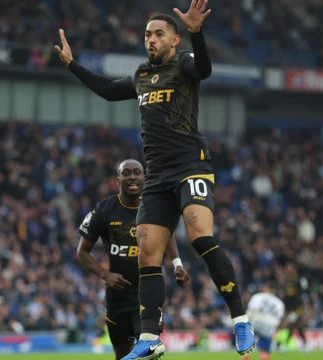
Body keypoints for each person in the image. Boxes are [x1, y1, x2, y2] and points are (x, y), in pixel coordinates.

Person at [56, 1, 254, 358]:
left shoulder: (185, 65)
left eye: (158, 34)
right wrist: (72, 65)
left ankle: (239, 317)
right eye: (147, 34)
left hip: (191, 166)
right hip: (158, 176)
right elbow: (106, 89)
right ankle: (149, 337)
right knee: (148, 255)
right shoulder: (141, 77)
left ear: (174, 39)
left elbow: (206, 69)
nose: (151, 40)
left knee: (198, 236)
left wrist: (198, 32)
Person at [76, 159, 191, 360]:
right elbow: (82, 251)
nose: (132, 177)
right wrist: (106, 274)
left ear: (144, 178)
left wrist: (177, 264)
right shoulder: (105, 209)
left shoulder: (154, 207)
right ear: (117, 180)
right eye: (126, 173)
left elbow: (168, 233)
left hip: (146, 295)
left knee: (150, 353)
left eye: (137, 173)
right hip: (117, 298)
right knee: (123, 356)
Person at [242, 284, 285, 360]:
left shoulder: (257, 297)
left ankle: (246, 356)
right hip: (267, 326)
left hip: (255, 322)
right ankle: (264, 355)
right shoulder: (279, 302)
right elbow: (279, 319)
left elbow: (250, 311)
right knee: (264, 350)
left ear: (265, 288)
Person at [281, 262, 308, 350]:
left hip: (297, 308)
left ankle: (284, 345)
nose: (288, 271)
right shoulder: (287, 281)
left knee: (290, 325)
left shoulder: (299, 280)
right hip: (290, 308)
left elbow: (305, 290)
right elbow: (286, 296)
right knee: (298, 326)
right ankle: (305, 344)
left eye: (290, 269)